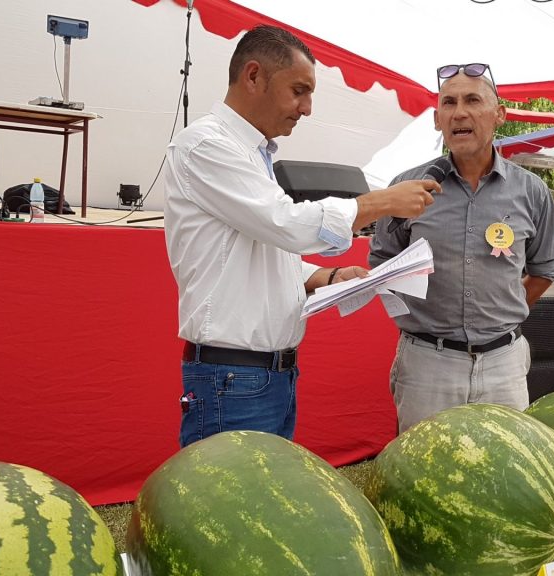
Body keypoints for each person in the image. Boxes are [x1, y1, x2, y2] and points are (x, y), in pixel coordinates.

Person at [164, 25, 441, 447]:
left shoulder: (253, 154)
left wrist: (325, 278)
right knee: (231, 505)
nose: (307, 108)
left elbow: (264, 249)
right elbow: (285, 224)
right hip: (233, 377)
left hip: (264, 374)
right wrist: (379, 202)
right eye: (299, 90)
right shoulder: (206, 145)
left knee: (264, 502)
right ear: (253, 76)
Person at [369, 63, 554, 433]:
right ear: (438, 120)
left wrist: (501, 310)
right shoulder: (406, 187)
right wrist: (420, 319)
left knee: (507, 472)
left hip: (503, 363)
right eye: (449, 102)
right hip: (426, 364)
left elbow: (544, 270)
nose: (460, 112)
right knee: (422, 472)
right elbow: (381, 262)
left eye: (473, 100)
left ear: (499, 115)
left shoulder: (531, 191)